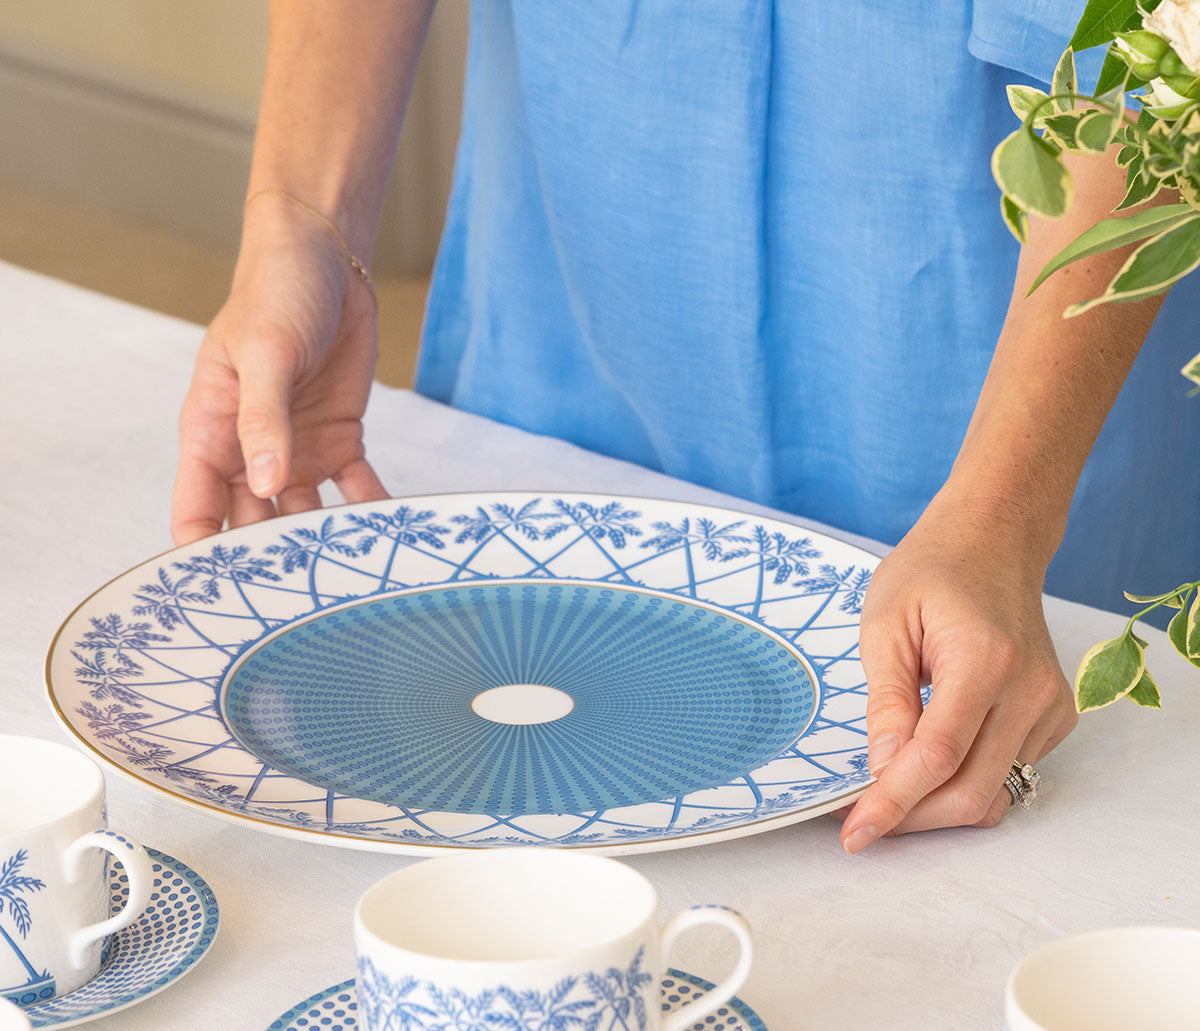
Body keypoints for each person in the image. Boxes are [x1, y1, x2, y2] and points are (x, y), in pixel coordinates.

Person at [172, 1, 1200, 852]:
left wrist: (1004, 512)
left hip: (1000, 355)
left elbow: (1146, 45)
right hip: (572, 268)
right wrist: (303, 214)